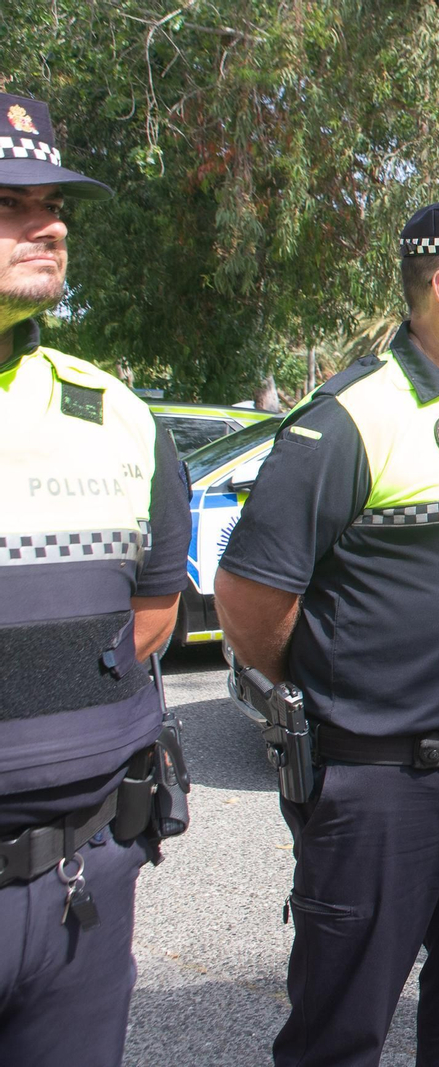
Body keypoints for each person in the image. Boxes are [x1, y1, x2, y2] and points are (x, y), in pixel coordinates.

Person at [214, 201, 439, 1067]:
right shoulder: (350, 415)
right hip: (388, 785)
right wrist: (340, 699)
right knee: (341, 1027)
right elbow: (251, 595)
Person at [0, 91, 188, 1065]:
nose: (52, 223)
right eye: (11, 203)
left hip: (83, 879)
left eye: (54, 201)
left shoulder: (118, 413)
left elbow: (151, 614)